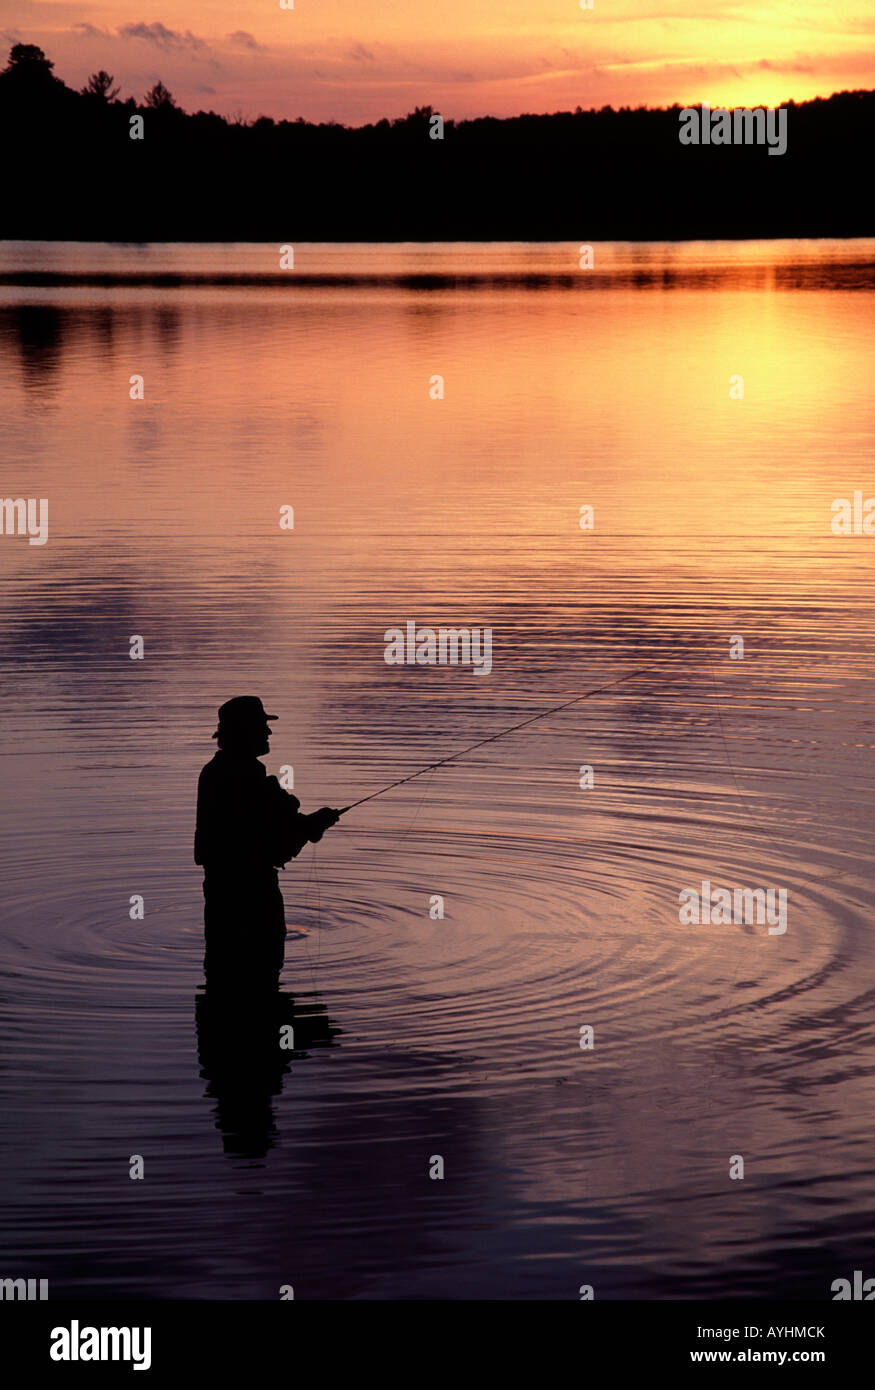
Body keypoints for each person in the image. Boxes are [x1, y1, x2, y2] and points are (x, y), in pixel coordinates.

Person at [194, 696, 340, 988]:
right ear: (245, 732)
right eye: (262, 726)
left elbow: (263, 832)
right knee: (261, 976)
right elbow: (264, 838)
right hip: (251, 899)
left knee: (226, 981)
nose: (268, 733)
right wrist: (311, 825)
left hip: (223, 898)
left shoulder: (216, 773)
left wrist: (308, 825)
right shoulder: (243, 777)